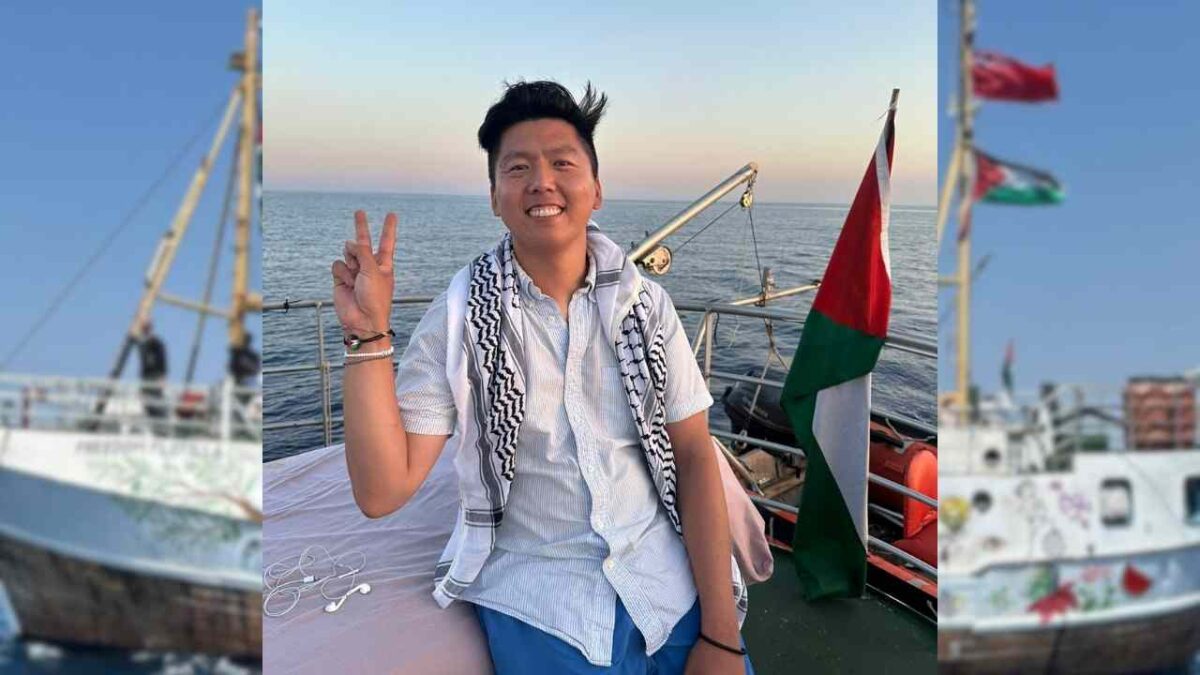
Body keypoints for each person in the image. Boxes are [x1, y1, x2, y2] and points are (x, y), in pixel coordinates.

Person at [331, 81, 752, 674]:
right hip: (540, 600)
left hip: (665, 582)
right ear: (494, 197)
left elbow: (693, 455)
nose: (541, 182)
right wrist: (368, 335)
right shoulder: (459, 319)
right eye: (518, 168)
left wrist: (721, 637)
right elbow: (382, 491)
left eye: (562, 163)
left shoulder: (646, 308)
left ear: (596, 189)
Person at [137, 320, 168, 422]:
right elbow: (143, 364)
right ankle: (153, 421)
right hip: (146, 376)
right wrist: (141, 384)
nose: (145, 331)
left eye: (146, 329)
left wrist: (162, 376)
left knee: (156, 400)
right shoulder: (142, 345)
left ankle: (160, 421)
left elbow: (162, 359)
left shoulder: (157, 343)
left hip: (155, 375)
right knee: (146, 401)